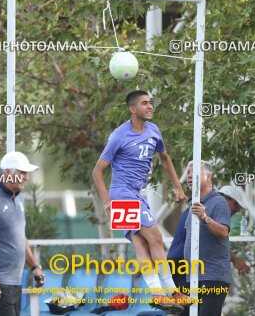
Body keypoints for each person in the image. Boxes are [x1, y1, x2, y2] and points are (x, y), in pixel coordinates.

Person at [92, 90, 189, 313]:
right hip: (121, 194)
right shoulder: (119, 135)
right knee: (155, 237)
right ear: (132, 109)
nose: (150, 106)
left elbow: (164, 158)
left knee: (142, 244)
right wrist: (107, 202)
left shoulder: (154, 130)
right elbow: (97, 172)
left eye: (150, 103)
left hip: (137, 194)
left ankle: (157, 294)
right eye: (145, 103)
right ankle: (171, 292)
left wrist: (177, 185)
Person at [0, 152, 45, 316]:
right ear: (7, 173)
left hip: (14, 281)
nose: (26, 177)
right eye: (22, 172)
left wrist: (34, 266)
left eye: (27, 173)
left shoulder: (19, 198)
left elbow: (19, 237)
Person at [184, 161, 231, 316]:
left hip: (213, 276)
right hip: (193, 276)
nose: (189, 176)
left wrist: (204, 217)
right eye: (188, 173)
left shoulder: (219, 202)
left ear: (208, 176)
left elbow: (224, 232)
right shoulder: (193, 205)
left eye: (193, 172)